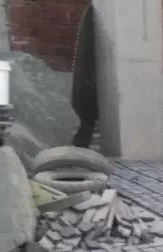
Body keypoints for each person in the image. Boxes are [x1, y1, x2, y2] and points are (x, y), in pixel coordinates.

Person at [71, 2, 97, 147]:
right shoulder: (94, 11)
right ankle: (80, 146)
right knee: (88, 120)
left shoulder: (92, 12)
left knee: (87, 121)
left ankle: (80, 145)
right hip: (87, 84)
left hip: (86, 82)